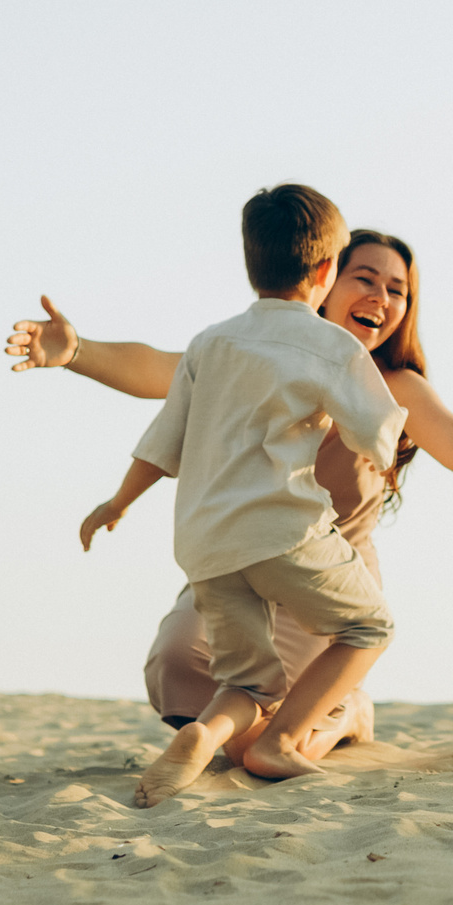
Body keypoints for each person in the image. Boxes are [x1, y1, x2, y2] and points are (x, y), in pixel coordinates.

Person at [10, 226, 453, 768]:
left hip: (323, 583)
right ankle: (277, 728)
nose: (380, 296)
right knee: (177, 665)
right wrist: (77, 349)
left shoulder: (393, 385)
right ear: (324, 277)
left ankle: (344, 713)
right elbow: (163, 368)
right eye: (365, 278)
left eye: (397, 289)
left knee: (261, 730)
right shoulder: (255, 356)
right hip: (239, 561)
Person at [79, 183, 407, 805]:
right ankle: (279, 741)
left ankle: (204, 734)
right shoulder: (332, 346)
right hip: (285, 535)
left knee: (246, 681)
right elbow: (378, 428)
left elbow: (162, 440)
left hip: (206, 546)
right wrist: (381, 452)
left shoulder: (211, 343)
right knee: (370, 626)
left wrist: (117, 503)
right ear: (324, 270)